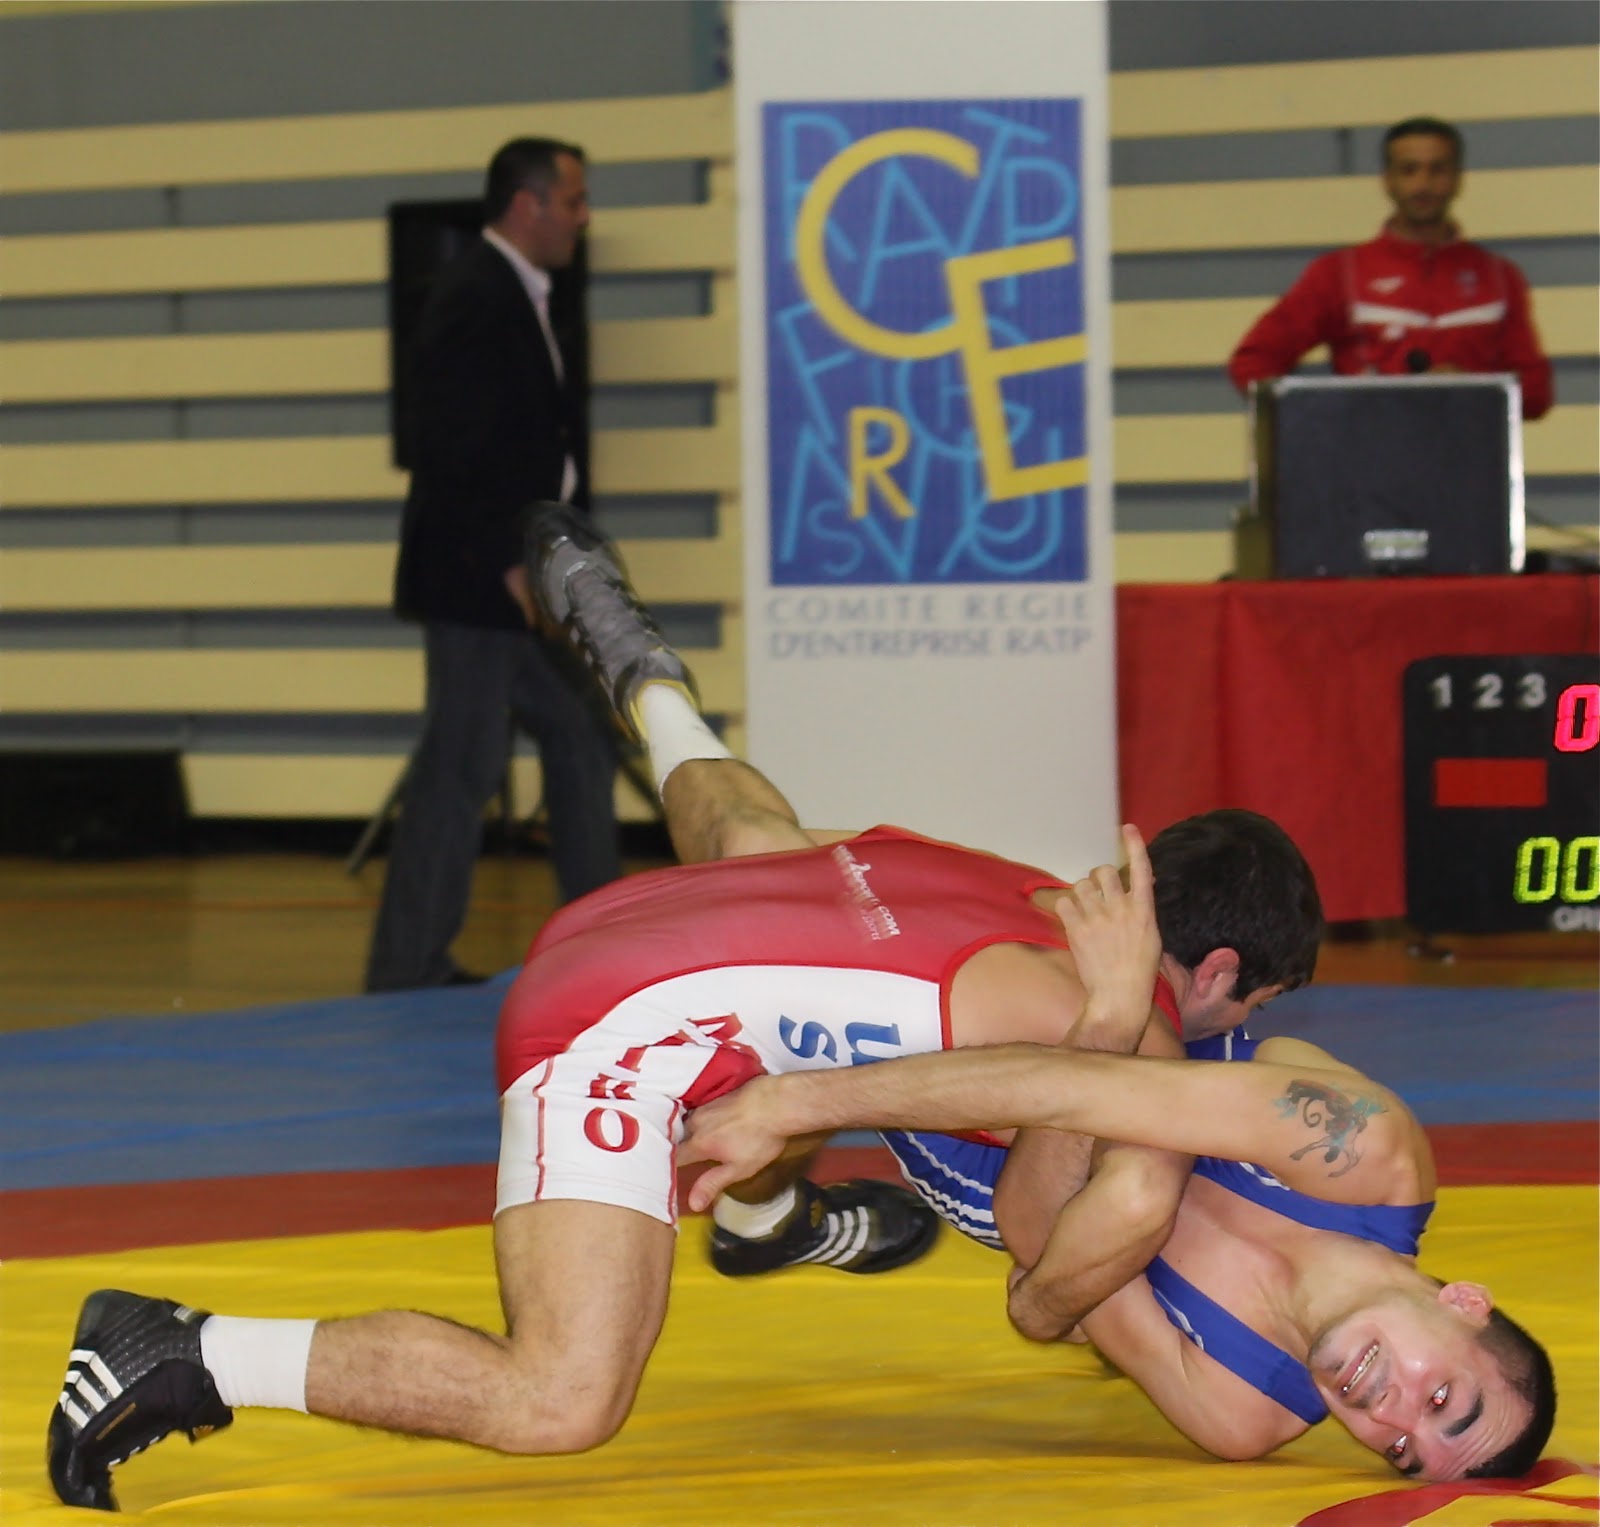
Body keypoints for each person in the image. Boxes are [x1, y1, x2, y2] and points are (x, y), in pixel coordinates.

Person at [45, 514, 1335, 1512]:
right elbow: (1041, 1252)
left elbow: (748, 835)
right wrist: (1107, 1056)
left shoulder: (1024, 887)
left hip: (649, 931)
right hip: (607, 1031)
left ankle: (650, 694)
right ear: (1218, 969)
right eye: (1247, 1008)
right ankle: (182, 1350)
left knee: (787, 918)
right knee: (562, 1395)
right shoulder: (1126, 1024)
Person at [364, 138, 622, 992]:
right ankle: (406, 967)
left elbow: (536, 444)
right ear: (528, 203)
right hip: (481, 580)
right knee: (461, 765)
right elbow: (450, 448)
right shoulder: (473, 295)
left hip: (517, 572)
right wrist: (511, 564)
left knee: (579, 734)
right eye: (574, 201)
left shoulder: (519, 293)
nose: (584, 218)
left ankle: (601, 948)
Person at [1228, 116, 1553, 420]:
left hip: (1470, 458)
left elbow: (1537, 393)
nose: (1423, 184)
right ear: (1387, 180)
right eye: (1409, 170)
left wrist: (1471, 390)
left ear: (1458, 179)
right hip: (1368, 458)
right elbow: (1253, 364)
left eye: (1437, 170)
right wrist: (1322, 425)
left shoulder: (1498, 277)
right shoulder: (1339, 273)